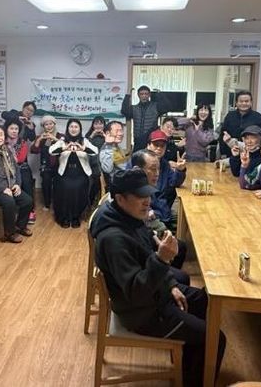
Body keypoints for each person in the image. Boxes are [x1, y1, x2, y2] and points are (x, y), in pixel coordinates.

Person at [90, 168, 226, 387]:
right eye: (140, 196)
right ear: (120, 199)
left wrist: (171, 284)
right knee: (215, 339)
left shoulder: (128, 217)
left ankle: (189, 365)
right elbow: (136, 291)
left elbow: (147, 257)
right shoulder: (114, 239)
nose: (147, 201)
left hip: (154, 296)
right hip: (142, 313)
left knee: (204, 300)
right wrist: (162, 260)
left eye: (148, 195)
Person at [131, 148, 188, 274]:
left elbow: (174, 182)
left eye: (158, 169)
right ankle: (168, 275)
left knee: (180, 246)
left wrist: (180, 170)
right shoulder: (133, 189)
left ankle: (169, 273)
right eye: (152, 169)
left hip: (154, 222)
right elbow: (144, 221)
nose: (157, 173)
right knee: (182, 270)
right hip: (142, 238)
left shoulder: (163, 167)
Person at [49, 118, 98, 228]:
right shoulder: (62, 140)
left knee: (79, 190)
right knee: (65, 190)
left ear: (80, 129)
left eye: (76, 127)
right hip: (65, 173)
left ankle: (76, 217)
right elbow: (51, 151)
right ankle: (65, 217)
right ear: (68, 128)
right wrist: (64, 148)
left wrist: (84, 148)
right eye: (71, 126)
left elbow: (95, 151)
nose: (73, 129)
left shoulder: (84, 140)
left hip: (80, 173)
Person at [144, 129, 187, 230]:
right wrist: (147, 210)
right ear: (148, 145)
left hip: (162, 211)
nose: (159, 148)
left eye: (162, 146)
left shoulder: (164, 164)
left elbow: (174, 182)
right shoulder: (139, 161)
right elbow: (132, 192)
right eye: (156, 145)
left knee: (188, 221)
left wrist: (180, 170)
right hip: (147, 214)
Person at [218, 90, 261, 158]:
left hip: (252, 154)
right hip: (231, 152)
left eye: (246, 101)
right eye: (241, 101)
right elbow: (223, 135)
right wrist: (223, 153)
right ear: (236, 103)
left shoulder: (258, 117)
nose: (244, 103)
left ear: (251, 102)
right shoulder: (230, 116)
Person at [5, 117, 36, 224]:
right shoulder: (2, 142)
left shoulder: (22, 142)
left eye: (16, 129)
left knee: (26, 181)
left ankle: (30, 210)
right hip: (6, 169)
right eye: (11, 128)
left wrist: (9, 157)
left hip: (21, 167)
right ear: (6, 129)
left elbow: (20, 159)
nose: (14, 131)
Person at [121, 85, 168, 152]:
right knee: (137, 158)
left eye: (146, 94)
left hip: (152, 140)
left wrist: (159, 94)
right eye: (142, 94)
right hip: (138, 140)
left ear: (149, 95)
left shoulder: (156, 106)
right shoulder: (134, 108)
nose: (144, 96)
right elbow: (124, 111)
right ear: (138, 95)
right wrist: (128, 94)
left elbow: (166, 108)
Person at [31, 115, 63, 211]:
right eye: (46, 124)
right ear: (43, 126)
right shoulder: (41, 137)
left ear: (54, 124)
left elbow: (64, 147)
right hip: (46, 166)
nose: (49, 126)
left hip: (59, 165)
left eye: (51, 124)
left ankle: (58, 204)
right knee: (46, 183)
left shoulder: (60, 136)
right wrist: (39, 139)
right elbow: (34, 150)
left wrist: (54, 138)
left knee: (58, 185)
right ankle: (47, 204)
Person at [98, 120, 127, 187]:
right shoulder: (106, 149)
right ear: (108, 133)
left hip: (124, 181)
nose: (120, 134)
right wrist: (108, 145)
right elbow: (107, 169)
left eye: (121, 131)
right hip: (115, 185)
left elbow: (123, 166)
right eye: (117, 131)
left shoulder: (117, 147)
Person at [85, 115, 106, 205]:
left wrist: (105, 136)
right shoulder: (88, 136)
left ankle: (99, 203)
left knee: (101, 185)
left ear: (104, 125)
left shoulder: (107, 136)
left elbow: (110, 147)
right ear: (93, 125)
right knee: (91, 185)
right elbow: (85, 147)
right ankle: (90, 204)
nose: (98, 126)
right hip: (91, 164)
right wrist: (92, 136)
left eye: (101, 124)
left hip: (103, 165)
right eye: (96, 124)